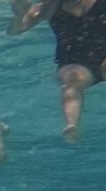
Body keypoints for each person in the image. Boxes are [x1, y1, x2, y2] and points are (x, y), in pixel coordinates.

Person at [8, 0, 106, 142]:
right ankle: (71, 125)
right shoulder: (49, 7)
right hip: (74, 60)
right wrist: (19, 14)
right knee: (71, 80)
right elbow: (14, 30)